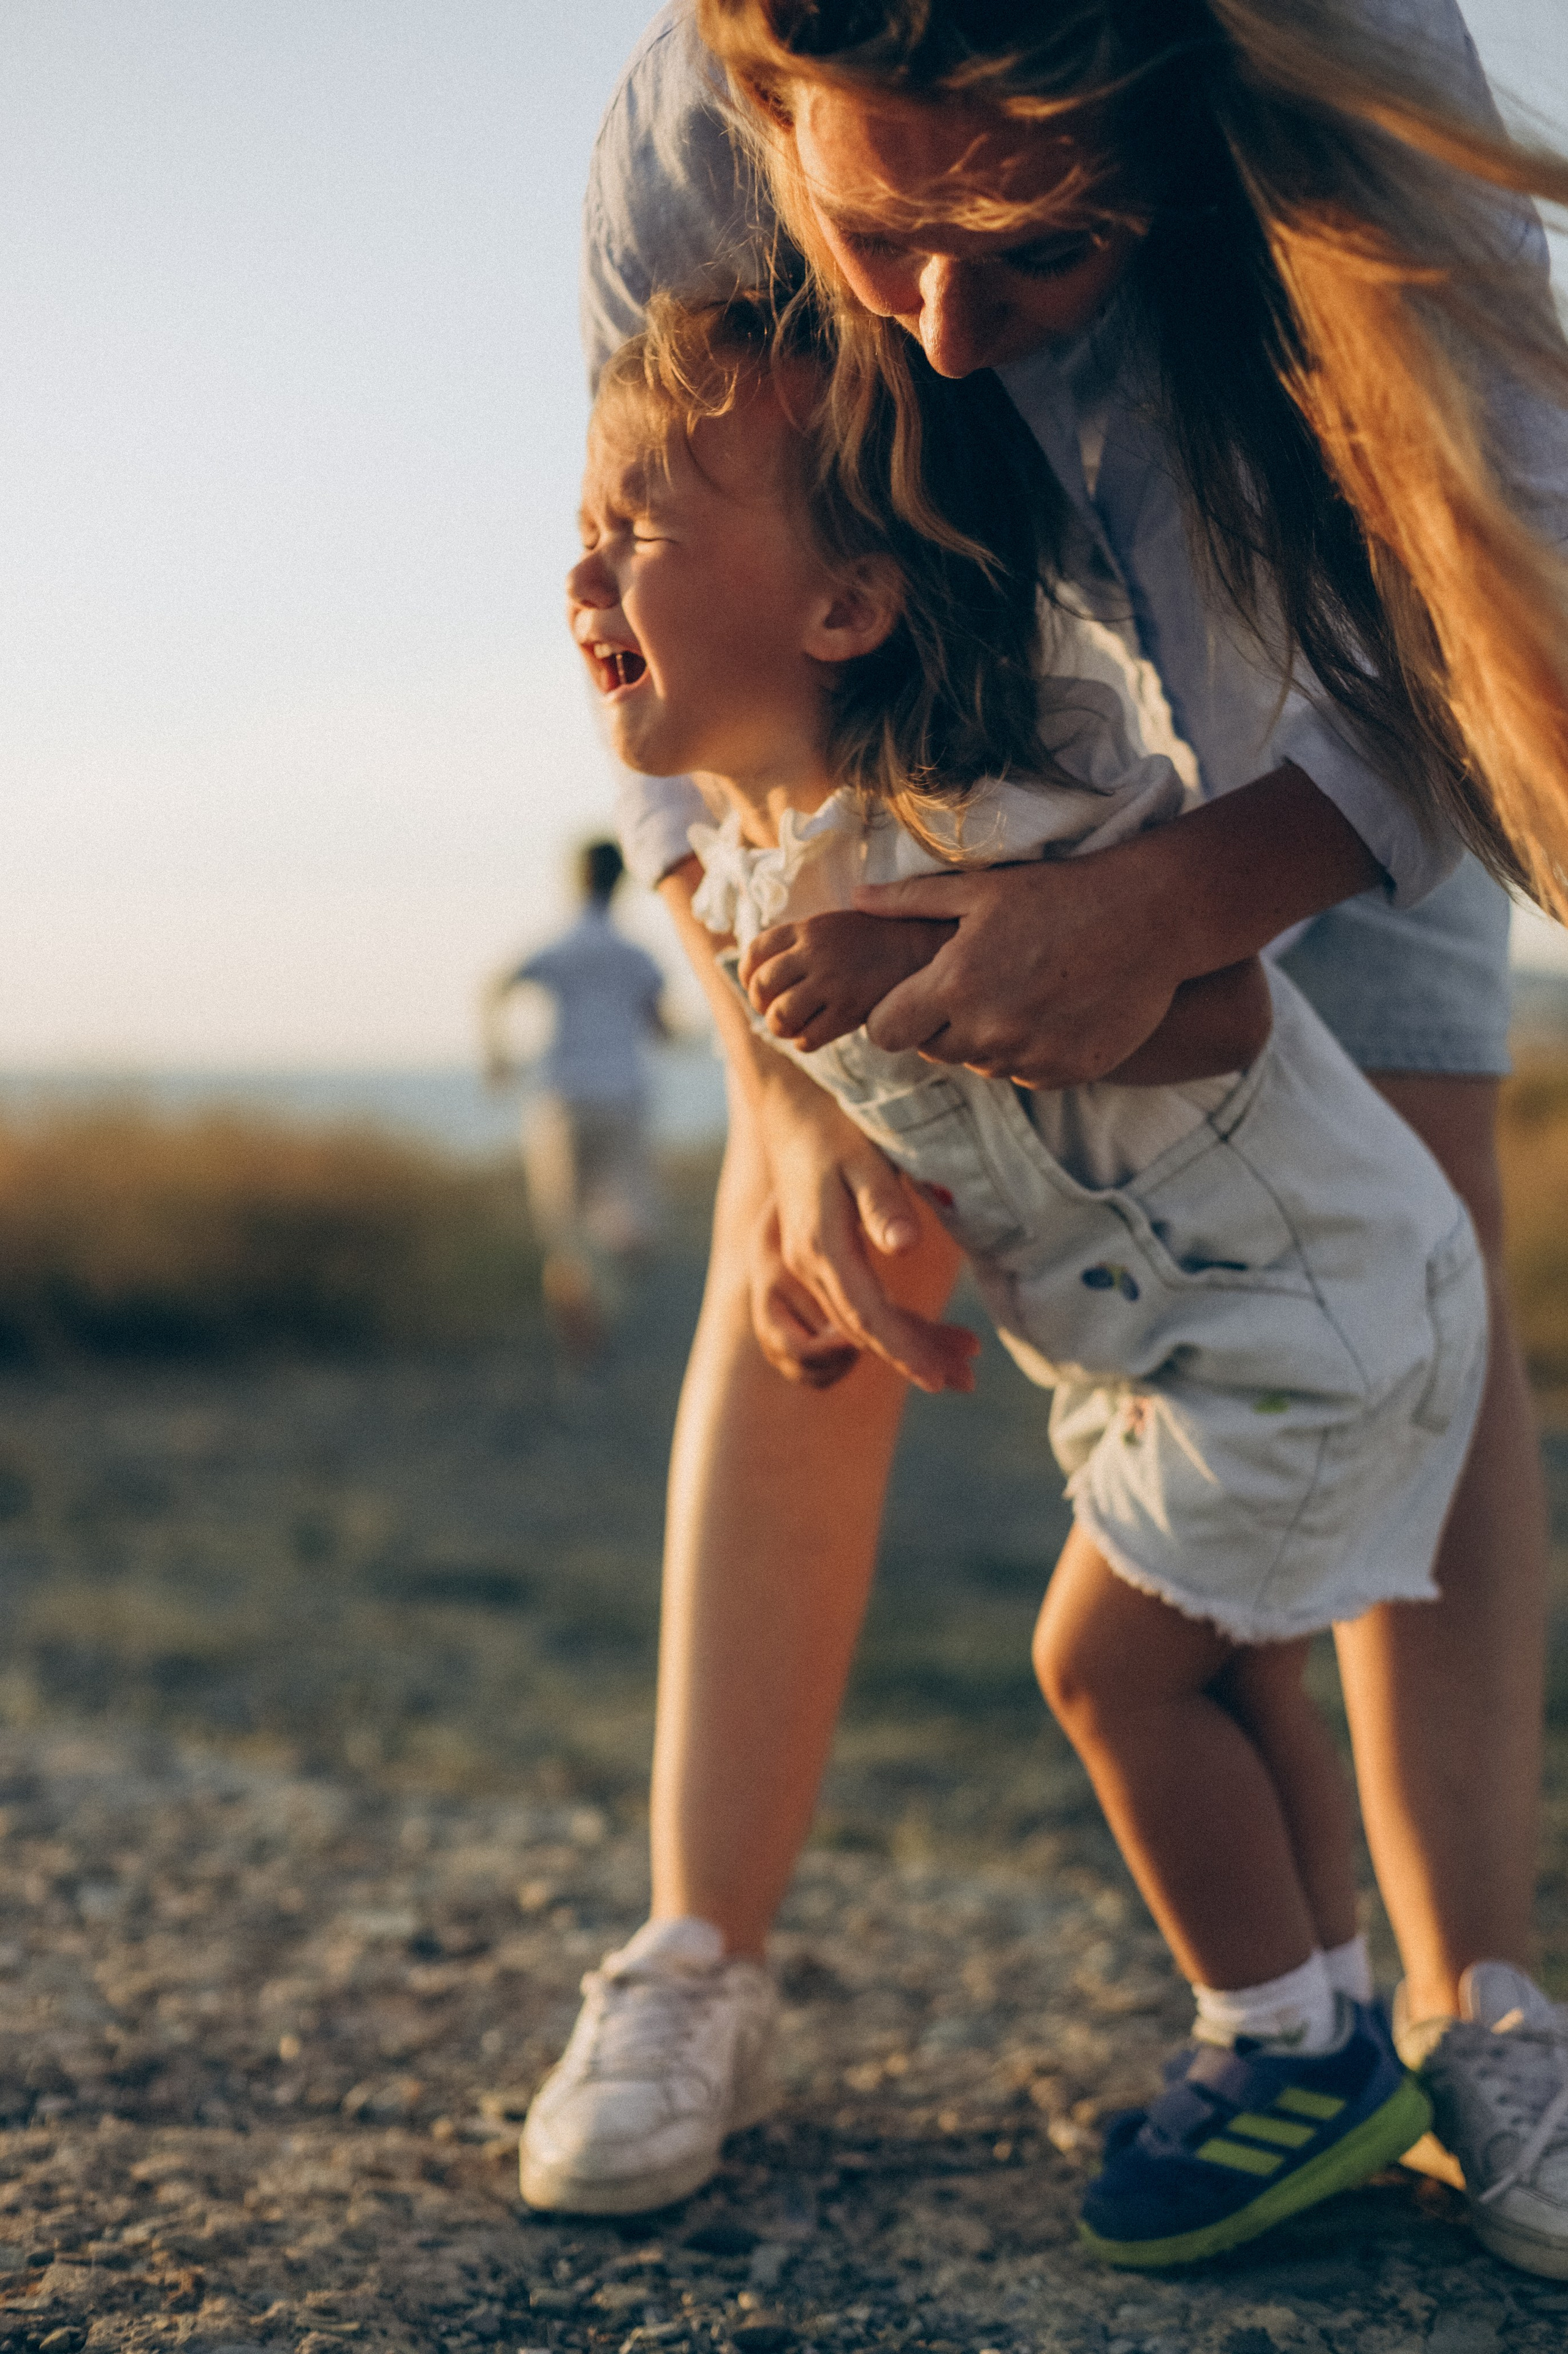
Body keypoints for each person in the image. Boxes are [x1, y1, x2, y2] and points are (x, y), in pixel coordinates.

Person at [523, 0, 1568, 2276]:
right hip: (911, 672)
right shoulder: (690, 136)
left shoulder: (1353, 74)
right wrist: (787, 1089)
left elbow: (1515, 631)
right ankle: (697, 1948)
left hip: (1347, 676)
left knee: (1411, 1215)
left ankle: (1470, 2005)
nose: (940, 325)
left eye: (1038, 246)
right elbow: (657, 625)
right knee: (802, 1242)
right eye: (878, 230)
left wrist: (1183, 899)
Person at [484, 838, 666, 1349]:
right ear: (622, 882)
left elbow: (497, 987)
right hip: (624, 1096)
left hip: (561, 1101)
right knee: (628, 1225)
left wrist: (496, 1054)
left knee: (565, 1235)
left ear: (574, 879)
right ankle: (612, 1280)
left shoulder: (559, 947)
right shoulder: (636, 956)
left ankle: (583, 1354)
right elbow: (659, 1028)